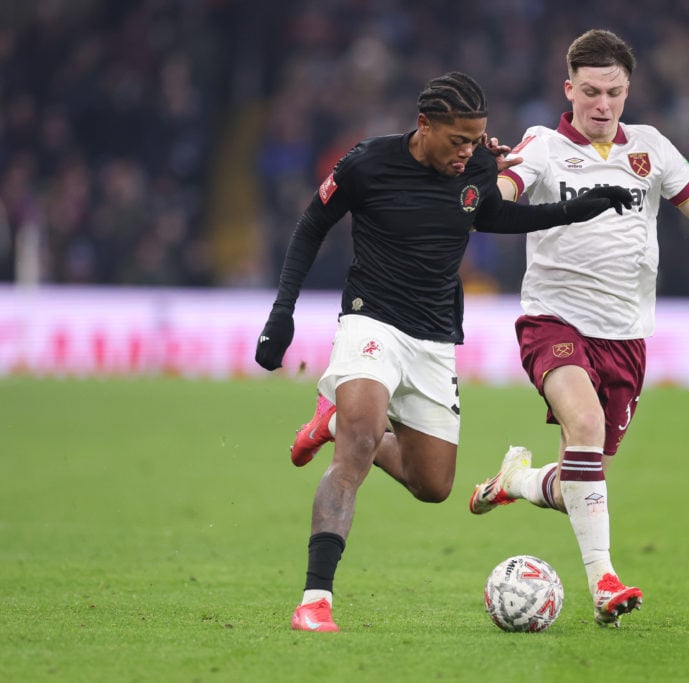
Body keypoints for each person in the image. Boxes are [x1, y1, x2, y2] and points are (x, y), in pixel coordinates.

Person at [254, 71, 632, 633]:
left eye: (476, 140)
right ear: (424, 125)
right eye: (458, 139)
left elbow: (497, 217)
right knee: (359, 446)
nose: (469, 152)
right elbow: (312, 224)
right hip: (371, 319)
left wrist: (578, 208)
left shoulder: (477, 165)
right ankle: (315, 599)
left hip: (434, 337)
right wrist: (281, 312)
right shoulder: (368, 164)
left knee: (433, 485)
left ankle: (334, 422)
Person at [465, 29, 689, 628]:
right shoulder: (545, 145)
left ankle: (520, 480)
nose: (602, 104)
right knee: (584, 424)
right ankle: (604, 580)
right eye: (590, 92)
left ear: (628, 91)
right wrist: (488, 184)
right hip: (553, 321)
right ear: (568, 89)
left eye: (613, 92)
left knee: (583, 475)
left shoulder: (652, 150)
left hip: (627, 339)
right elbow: (502, 195)